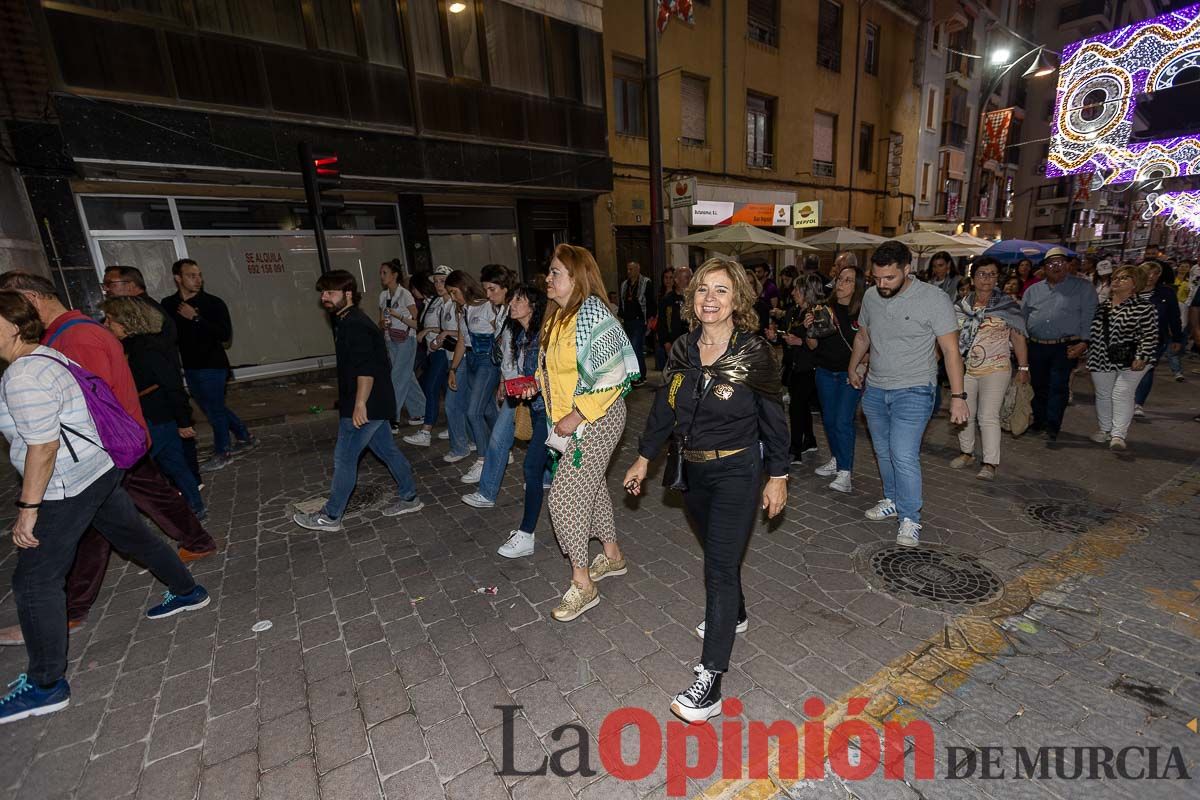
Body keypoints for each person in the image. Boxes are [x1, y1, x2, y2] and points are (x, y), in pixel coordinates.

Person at [0, 291, 210, 725]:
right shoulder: (49, 356)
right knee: (133, 536)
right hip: (99, 469)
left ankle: (45, 685)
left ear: (15, 325)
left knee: (35, 581)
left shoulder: (23, 374)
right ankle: (188, 591)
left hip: (66, 484)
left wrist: (28, 508)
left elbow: (42, 446)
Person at [624, 257, 788, 723]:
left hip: (738, 471)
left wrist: (778, 476)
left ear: (737, 299)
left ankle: (710, 680)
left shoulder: (753, 353)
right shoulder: (681, 349)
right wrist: (643, 457)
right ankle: (735, 613)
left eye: (720, 290)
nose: (709, 299)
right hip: (690, 473)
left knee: (717, 567)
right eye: (701, 291)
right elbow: (664, 409)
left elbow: (775, 420)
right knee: (721, 552)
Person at [538, 244, 638, 623]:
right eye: (549, 272)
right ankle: (612, 557)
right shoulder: (558, 316)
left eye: (555, 273)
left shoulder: (592, 312)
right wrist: (536, 386)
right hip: (575, 417)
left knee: (563, 500)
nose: (548, 279)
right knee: (591, 488)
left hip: (598, 417)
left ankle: (583, 584)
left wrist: (577, 414)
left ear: (576, 277)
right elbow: (558, 369)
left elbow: (615, 374)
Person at [848, 241, 968, 548]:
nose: (882, 284)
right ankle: (892, 499)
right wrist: (853, 366)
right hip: (876, 388)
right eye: (877, 278)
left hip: (914, 389)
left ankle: (910, 516)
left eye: (889, 278)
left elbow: (951, 351)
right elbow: (864, 335)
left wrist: (958, 396)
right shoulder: (873, 296)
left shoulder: (933, 299)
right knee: (884, 452)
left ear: (907, 269)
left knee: (903, 453)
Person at [293, 271, 424, 531]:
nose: (324, 298)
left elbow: (366, 370)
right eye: (323, 293)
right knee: (387, 451)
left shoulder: (354, 324)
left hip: (366, 406)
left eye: (330, 292)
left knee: (344, 458)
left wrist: (359, 404)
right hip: (373, 403)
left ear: (348, 293)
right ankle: (410, 497)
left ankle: (330, 516)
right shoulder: (347, 320)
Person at [462, 284, 552, 558]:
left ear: (533, 306)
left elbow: (551, 375)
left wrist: (534, 385)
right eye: (512, 299)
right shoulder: (520, 334)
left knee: (531, 468)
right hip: (535, 411)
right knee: (549, 467)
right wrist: (514, 384)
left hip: (551, 414)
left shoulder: (542, 337)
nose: (512, 304)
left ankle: (525, 534)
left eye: (519, 300)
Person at [101, 297, 206, 519]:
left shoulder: (147, 349)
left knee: (142, 470)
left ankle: (184, 508)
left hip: (156, 417)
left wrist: (184, 421)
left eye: (110, 321)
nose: (106, 325)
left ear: (126, 322)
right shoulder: (128, 347)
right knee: (173, 464)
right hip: (152, 416)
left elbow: (173, 386)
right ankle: (193, 505)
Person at [102, 265, 200, 483]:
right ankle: (191, 497)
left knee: (147, 466)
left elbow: (168, 377)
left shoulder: (147, 338)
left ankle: (187, 495)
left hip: (158, 406)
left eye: (111, 283)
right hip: (157, 405)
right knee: (172, 459)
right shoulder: (136, 337)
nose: (106, 288)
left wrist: (183, 419)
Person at [161, 259, 255, 472]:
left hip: (213, 366)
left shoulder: (213, 303)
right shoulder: (168, 304)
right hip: (190, 366)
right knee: (214, 407)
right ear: (178, 278)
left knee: (214, 411)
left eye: (199, 275)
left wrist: (196, 318)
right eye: (191, 275)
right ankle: (245, 436)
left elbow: (224, 335)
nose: (198, 280)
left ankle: (223, 452)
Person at [950, 257, 1029, 481]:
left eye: (992, 274)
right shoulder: (961, 306)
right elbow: (950, 337)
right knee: (965, 413)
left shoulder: (1008, 305)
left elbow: (1019, 337)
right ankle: (967, 452)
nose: (987, 278)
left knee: (988, 416)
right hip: (965, 369)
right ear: (973, 278)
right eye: (982, 274)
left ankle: (990, 462)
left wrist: (1023, 367)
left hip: (997, 368)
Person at [1021, 246, 1098, 444]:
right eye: (1051, 263)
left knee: (1058, 386)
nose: (1057, 267)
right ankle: (1039, 421)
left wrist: (1084, 342)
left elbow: (1090, 317)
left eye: (1061, 262)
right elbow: (1023, 317)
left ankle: (1052, 426)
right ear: (1044, 267)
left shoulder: (1082, 288)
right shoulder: (1033, 290)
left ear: (1068, 265)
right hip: (1036, 345)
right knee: (1038, 385)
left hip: (1064, 347)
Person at [1086, 265, 1158, 450]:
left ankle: (1118, 435)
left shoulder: (1144, 307)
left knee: (1121, 393)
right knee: (1103, 394)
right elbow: (1092, 332)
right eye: (1116, 277)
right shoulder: (1102, 307)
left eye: (1124, 278)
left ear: (1135, 284)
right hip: (1100, 356)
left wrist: (1142, 355)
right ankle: (1105, 429)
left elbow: (1149, 334)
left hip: (1131, 358)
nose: (1117, 280)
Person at [445, 267, 508, 476]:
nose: (452, 297)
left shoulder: (488, 307)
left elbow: (501, 336)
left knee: (474, 411)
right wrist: (453, 369)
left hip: (487, 362)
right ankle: (503, 448)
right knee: (489, 409)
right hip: (471, 361)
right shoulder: (462, 310)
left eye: (454, 292)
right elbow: (462, 341)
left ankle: (483, 460)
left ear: (464, 287)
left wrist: (503, 371)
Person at [810, 263, 867, 493]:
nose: (841, 284)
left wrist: (862, 366)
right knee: (830, 420)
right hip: (824, 371)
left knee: (843, 421)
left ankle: (846, 472)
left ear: (857, 286)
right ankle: (836, 458)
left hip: (848, 374)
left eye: (848, 280)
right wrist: (810, 330)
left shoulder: (863, 311)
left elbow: (870, 344)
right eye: (840, 279)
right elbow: (813, 345)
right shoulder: (825, 308)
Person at [771, 273, 824, 463]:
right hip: (794, 364)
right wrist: (776, 336)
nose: (792, 292)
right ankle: (809, 440)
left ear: (805, 292)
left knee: (796, 407)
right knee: (800, 406)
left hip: (809, 367)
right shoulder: (794, 311)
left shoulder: (816, 313)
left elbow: (817, 345)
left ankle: (795, 450)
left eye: (796, 289)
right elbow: (788, 334)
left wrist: (799, 341)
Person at [405, 265, 456, 447]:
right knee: (449, 394)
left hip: (445, 352)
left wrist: (433, 333)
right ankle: (456, 428)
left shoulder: (450, 303)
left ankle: (426, 431)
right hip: (436, 351)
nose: (438, 285)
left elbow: (456, 330)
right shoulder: (437, 303)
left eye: (442, 281)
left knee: (431, 387)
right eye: (435, 282)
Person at [1132, 261, 1183, 418]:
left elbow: (1174, 317)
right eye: (1148, 273)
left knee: (1147, 368)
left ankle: (1138, 403)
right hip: (1129, 338)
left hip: (1155, 338)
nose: (1151, 277)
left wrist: (1177, 338)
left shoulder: (1166, 293)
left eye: (1155, 273)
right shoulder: (1131, 289)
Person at [378, 260, 425, 430]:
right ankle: (421, 411)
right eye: (381, 273)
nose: (382, 276)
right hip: (390, 339)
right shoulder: (383, 296)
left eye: (385, 273)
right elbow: (381, 320)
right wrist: (383, 324)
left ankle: (392, 419)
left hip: (407, 339)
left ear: (394, 275)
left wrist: (398, 316)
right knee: (407, 377)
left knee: (396, 377)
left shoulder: (405, 294)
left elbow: (417, 319)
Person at [618, 261, 654, 386]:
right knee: (629, 349)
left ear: (638, 270)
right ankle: (633, 375)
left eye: (631, 269)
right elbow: (622, 301)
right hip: (628, 320)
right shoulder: (624, 285)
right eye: (628, 269)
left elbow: (650, 302)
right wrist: (621, 316)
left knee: (635, 347)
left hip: (640, 320)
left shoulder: (645, 282)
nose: (629, 272)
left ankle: (641, 375)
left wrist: (650, 319)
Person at [652, 267, 675, 371]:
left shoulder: (676, 295)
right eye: (666, 278)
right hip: (662, 329)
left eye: (671, 277)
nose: (668, 280)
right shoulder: (661, 294)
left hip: (672, 331)